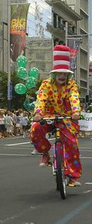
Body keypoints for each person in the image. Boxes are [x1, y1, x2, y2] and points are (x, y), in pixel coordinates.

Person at [30, 45, 82, 187]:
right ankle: (45, 153)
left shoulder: (71, 85)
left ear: (68, 75)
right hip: (48, 115)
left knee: (72, 143)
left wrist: (76, 112)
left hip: (66, 117)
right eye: (59, 73)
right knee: (35, 129)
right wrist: (38, 113)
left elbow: (74, 97)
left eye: (64, 74)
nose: (61, 76)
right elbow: (41, 98)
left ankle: (72, 176)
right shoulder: (46, 84)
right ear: (54, 74)